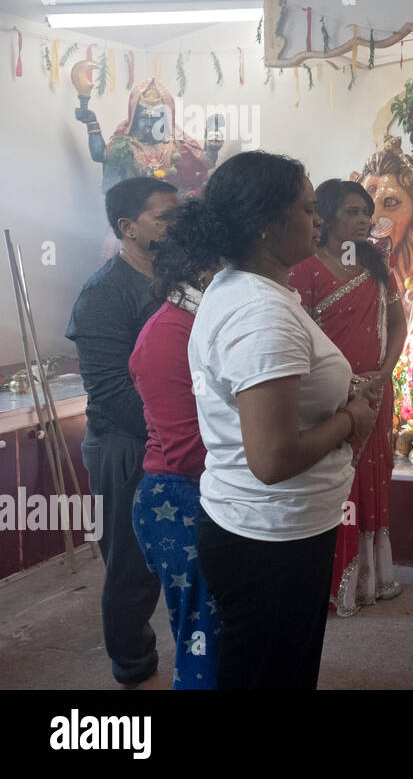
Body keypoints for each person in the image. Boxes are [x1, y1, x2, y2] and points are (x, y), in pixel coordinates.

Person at [183, 152, 378, 690]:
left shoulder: (252, 291)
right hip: (269, 536)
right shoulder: (260, 313)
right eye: (309, 209)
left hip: (273, 527)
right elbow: (271, 459)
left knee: (276, 667)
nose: (319, 221)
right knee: (269, 673)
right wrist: (350, 418)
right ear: (268, 224)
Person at [66, 175, 178, 688]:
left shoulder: (176, 278)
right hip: (125, 444)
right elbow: (113, 391)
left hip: (172, 436)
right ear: (128, 227)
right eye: (163, 216)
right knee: (131, 566)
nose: (175, 224)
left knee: (179, 553)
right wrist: (171, 432)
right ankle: (133, 668)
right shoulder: (103, 293)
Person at [290, 179, 406, 616]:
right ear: (327, 215)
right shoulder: (304, 270)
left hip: (376, 389)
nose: (362, 221)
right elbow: (299, 338)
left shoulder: (376, 265)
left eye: (366, 213)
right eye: (352, 212)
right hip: (330, 397)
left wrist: (385, 372)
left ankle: (373, 579)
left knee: (373, 479)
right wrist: (340, 384)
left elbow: (398, 323)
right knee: (337, 485)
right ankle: (337, 583)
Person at [128, 213, 218, 688]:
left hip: (214, 489)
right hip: (178, 500)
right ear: (205, 267)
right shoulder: (168, 333)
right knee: (204, 638)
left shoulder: (204, 319)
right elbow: (187, 451)